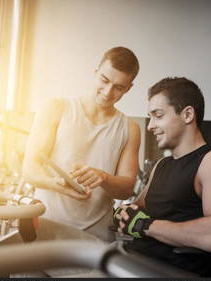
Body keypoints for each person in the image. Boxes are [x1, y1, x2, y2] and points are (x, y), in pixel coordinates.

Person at [114, 77, 211, 276]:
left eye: (158, 115)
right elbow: (137, 209)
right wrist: (123, 213)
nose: (150, 125)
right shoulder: (162, 165)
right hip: (135, 264)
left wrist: (146, 226)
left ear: (187, 114)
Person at [23, 47, 141, 243]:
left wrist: (103, 178)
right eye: (104, 80)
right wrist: (55, 184)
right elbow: (29, 170)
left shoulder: (130, 128)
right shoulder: (56, 108)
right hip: (45, 230)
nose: (108, 92)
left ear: (129, 88)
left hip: (95, 239)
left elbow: (127, 188)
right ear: (95, 73)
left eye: (119, 87)